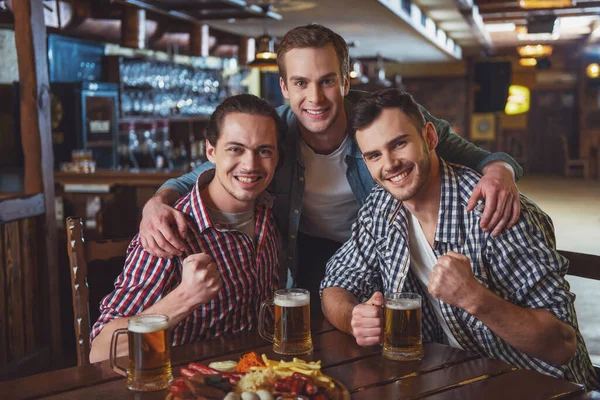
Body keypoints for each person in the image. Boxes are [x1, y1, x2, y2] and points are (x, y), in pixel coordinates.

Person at [138, 24, 523, 309]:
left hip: (378, 253)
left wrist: (501, 171)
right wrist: (158, 200)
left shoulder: (382, 121)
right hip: (303, 252)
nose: (315, 97)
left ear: (344, 80)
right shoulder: (272, 132)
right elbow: (202, 174)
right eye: (301, 83)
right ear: (285, 89)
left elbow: (478, 158)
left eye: (326, 81)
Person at [320, 88, 597, 390]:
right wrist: (353, 318)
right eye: (374, 155)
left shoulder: (496, 211)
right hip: (453, 382)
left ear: (429, 137)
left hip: (539, 387)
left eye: (399, 144)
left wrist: (475, 298)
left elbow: (562, 343)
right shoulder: (381, 206)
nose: (390, 165)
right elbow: (336, 283)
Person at [89, 94, 281, 362]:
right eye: (235, 149)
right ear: (211, 151)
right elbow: (100, 351)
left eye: (263, 151)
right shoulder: (171, 230)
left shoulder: (267, 210)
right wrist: (185, 297)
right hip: (185, 385)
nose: (250, 165)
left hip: (257, 376)